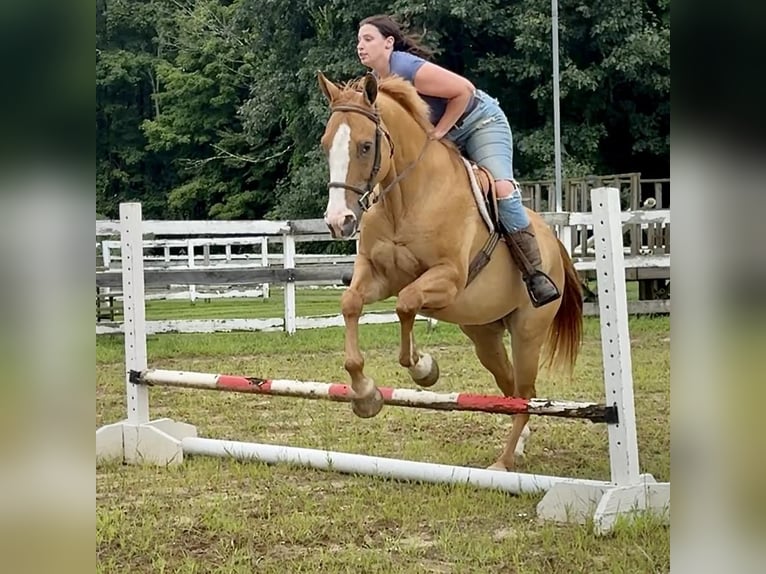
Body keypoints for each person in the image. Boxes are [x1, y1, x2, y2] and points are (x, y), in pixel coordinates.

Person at [356, 15, 560, 307]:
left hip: (480, 122)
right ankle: (374, 265)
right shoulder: (375, 82)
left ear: (388, 44)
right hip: (447, 131)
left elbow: (463, 90)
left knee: (501, 189)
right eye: (359, 41)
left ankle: (535, 273)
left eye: (368, 39)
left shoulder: (405, 68)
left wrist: (439, 132)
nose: (360, 46)